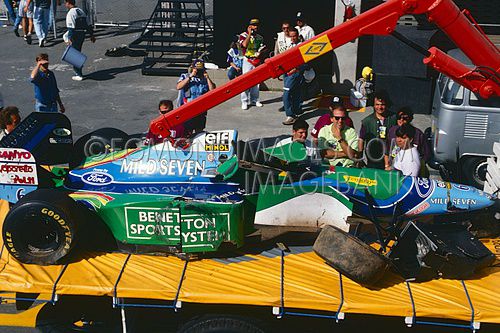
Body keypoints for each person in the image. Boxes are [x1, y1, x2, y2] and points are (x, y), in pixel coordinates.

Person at [358, 90, 397, 169]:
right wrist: (360, 158)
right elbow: (361, 139)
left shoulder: (394, 118)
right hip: (373, 158)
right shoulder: (367, 121)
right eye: (377, 104)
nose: (379, 107)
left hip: (391, 157)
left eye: (382, 104)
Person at [176, 59, 215, 134]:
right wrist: (190, 76)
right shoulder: (185, 76)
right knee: (187, 131)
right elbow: (178, 86)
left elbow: (212, 90)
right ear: (193, 68)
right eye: (197, 70)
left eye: (200, 70)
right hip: (187, 109)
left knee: (199, 131)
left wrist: (208, 78)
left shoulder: (204, 79)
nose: (198, 72)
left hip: (201, 109)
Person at [239, 18, 266, 110]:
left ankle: (254, 100)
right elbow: (244, 45)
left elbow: (261, 48)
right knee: (245, 81)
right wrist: (249, 34)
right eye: (254, 25)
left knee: (256, 81)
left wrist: (260, 52)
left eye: (257, 25)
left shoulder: (260, 37)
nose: (256, 27)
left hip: (257, 60)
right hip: (247, 60)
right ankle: (244, 101)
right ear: (249, 26)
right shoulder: (243, 35)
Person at [64, 0, 95, 81]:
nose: (65, 4)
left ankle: (79, 73)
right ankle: (78, 71)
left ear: (68, 3)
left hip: (75, 35)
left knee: (74, 55)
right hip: (82, 34)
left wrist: (69, 38)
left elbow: (71, 28)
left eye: (65, 3)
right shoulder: (80, 10)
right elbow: (87, 24)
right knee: (77, 52)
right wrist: (91, 35)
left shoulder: (70, 13)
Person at [282, 28, 304, 125]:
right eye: (291, 36)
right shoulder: (289, 45)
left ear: (298, 36)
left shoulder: (302, 46)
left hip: (295, 72)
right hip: (286, 72)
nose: (293, 38)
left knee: (286, 94)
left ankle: (290, 115)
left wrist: (297, 69)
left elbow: (306, 61)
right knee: (295, 92)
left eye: (294, 36)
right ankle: (296, 111)